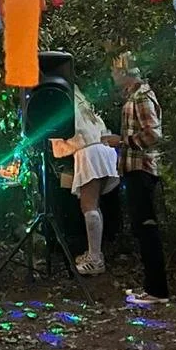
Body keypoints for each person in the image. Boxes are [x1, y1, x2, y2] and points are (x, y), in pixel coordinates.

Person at [109, 54, 170, 305]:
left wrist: (122, 142)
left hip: (142, 170)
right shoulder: (133, 97)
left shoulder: (142, 97)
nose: (112, 76)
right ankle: (150, 286)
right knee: (141, 228)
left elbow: (154, 135)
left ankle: (157, 291)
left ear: (125, 72)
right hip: (134, 170)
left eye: (114, 71)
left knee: (146, 228)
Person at [50, 86, 119, 275]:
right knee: (94, 204)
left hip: (89, 151)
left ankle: (95, 259)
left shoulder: (56, 100)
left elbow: (60, 146)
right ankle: (94, 253)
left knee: (88, 205)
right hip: (102, 147)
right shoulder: (76, 94)